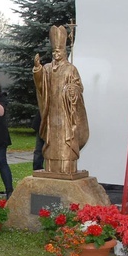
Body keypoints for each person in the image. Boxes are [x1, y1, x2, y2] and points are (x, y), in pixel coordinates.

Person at [32, 25, 89, 175]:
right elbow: (41, 84)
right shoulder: (48, 68)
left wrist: (73, 90)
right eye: (54, 51)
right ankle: (51, 167)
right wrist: (38, 69)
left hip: (65, 112)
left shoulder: (71, 69)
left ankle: (67, 168)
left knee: (65, 139)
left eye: (58, 51)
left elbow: (78, 87)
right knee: (52, 141)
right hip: (51, 111)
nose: (56, 54)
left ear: (64, 52)